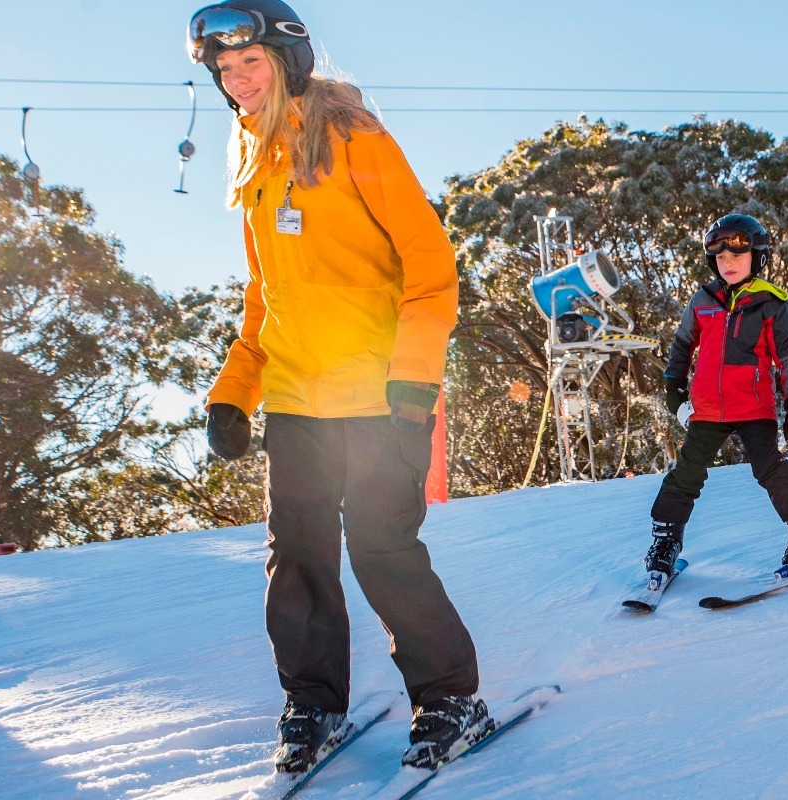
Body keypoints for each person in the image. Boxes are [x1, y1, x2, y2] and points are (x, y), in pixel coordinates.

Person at [187, 0, 487, 774]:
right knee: (299, 557)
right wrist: (233, 394)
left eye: (248, 63)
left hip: (380, 392)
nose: (237, 80)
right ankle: (313, 704)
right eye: (224, 69)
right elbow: (264, 302)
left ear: (286, 59)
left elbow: (430, 271)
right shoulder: (251, 161)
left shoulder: (353, 135)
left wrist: (414, 385)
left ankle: (452, 697)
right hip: (295, 398)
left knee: (384, 547)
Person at [646, 213, 788, 578]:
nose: (727, 263)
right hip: (708, 409)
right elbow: (682, 346)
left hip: (753, 408)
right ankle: (666, 541)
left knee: (769, 468)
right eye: (720, 258)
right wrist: (674, 388)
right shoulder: (703, 300)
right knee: (686, 473)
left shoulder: (771, 302)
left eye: (736, 256)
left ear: (757, 257)